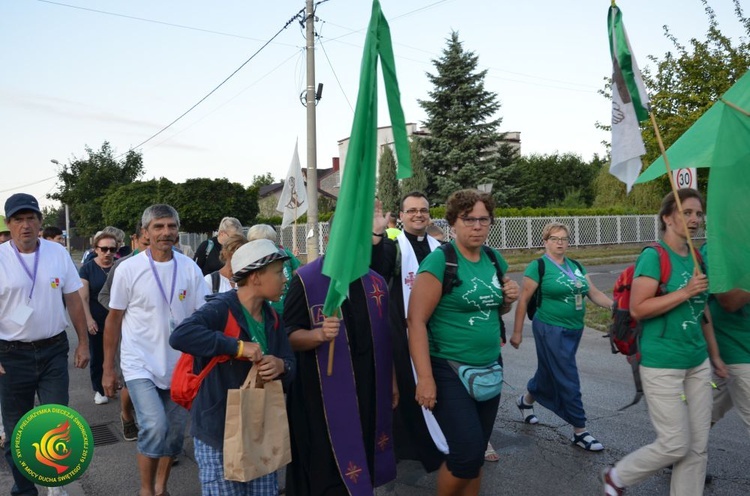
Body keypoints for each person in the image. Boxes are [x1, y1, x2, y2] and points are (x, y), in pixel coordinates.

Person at [602, 189, 728, 496]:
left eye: (698, 213)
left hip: (695, 361)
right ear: (667, 218)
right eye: (686, 212)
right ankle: (618, 477)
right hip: (661, 363)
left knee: (697, 449)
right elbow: (638, 308)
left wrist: (715, 356)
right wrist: (685, 291)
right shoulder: (653, 256)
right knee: (675, 443)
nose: (695, 219)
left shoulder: (697, 257)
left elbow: (703, 313)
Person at [408, 189, 519, 496]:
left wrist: (508, 300)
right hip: (449, 369)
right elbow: (415, 321)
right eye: (468, 219)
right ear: (453, 223)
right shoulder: (440, 262)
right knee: (466, 454)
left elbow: (493, 309)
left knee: (476, 455)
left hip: (489, 367)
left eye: (484, 219)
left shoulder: (494, 260)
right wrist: (426, 379)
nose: (477, 226)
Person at [170, 239, 296, 495]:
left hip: (259, 429)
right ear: (256, 277)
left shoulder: (273, 317)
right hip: (218, 432)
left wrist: (281, 366)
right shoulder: (221, 307)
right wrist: (237, 347)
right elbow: (180, 336)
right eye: (278, 272)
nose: (285, 279)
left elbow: (291, 364)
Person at [285, 214, 397, 496]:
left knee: (364, 460)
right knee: (324, 470)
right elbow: (288, 337)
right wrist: (318, 335)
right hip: (320, 396)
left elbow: (386, 339)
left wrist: (392, 381)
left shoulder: (376, 284)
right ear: (327, 238)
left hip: (369, 389)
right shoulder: (306, 281)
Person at [102, 204, 209, 496]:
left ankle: (161, 488)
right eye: (159, 227)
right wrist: (108, 369)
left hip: (180, 366)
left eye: (171, 226)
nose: (166, 232)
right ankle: (146, 490)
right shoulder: (128, 269)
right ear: (145, 232)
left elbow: (204, 315)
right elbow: (114, 319)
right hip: (140, 364)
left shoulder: (189, 268)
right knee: (154, 425)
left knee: (174, 434)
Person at [0, 193, 90, 496]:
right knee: (16, 431)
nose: (25, 225)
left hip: (53, 349)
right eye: (18, 220)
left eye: (31, 218)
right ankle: (24, 490)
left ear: (40, 222)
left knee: (55, 420)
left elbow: (73, 300)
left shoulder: (57, 253)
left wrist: (83, 344)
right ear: (9, 225)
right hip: (10, 355)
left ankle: (55, 482)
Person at [510, 222, 613, 452]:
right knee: (567, 374)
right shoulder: (538, 267)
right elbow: (524, 300)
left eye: (564, 238)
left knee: (549, 371)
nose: (560, 242)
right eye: (555, 238)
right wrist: (517, 332)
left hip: (574, 328)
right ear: (545, 241)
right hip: (549, 328)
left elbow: (593, 292)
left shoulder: (576, 265)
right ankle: (580, 430)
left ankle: (525, 401)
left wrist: (615, 307)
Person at [371, 192, 447, 470]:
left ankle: (443, 440)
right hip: (401, 333)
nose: (418, 215)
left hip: (437, 331)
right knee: (406, 390)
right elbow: (375, 270)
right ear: (401, 216)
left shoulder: (440, 249)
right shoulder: (393, 246)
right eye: (412, 210)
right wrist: (377, 233)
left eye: (423, 210)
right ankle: (408, 447)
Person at [99, 222, 150, 442]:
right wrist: (121, 311)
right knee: (131, 383)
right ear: (135, 239)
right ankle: (127, 415)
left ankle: (159, 438)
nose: (152, 247)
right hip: (131, 339)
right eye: (146, 242)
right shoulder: (123, 266)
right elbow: (103, 296)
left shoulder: (174, 263)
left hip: (160, 341)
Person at [701, 243, 750, 434]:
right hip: (734, 348)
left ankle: (677, 449)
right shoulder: (716, 248)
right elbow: (728, 301)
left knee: (705, 412)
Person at [79, 230, 119, 406]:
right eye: (104, 249)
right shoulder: (87, 268)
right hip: (97, 319)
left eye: (112, 249)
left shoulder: (120, 266)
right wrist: (88, 319)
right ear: (96, 249)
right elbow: (83, 297)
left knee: (119, 355)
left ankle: (118, 384)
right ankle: (99, 389)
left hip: (118, 320)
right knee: (98, 356)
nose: (108, 253)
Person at [246, 224, 301, 316]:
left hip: (287, 309)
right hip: (261, 311)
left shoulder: (284, 254)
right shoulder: (248, 259)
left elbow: (299, 275)